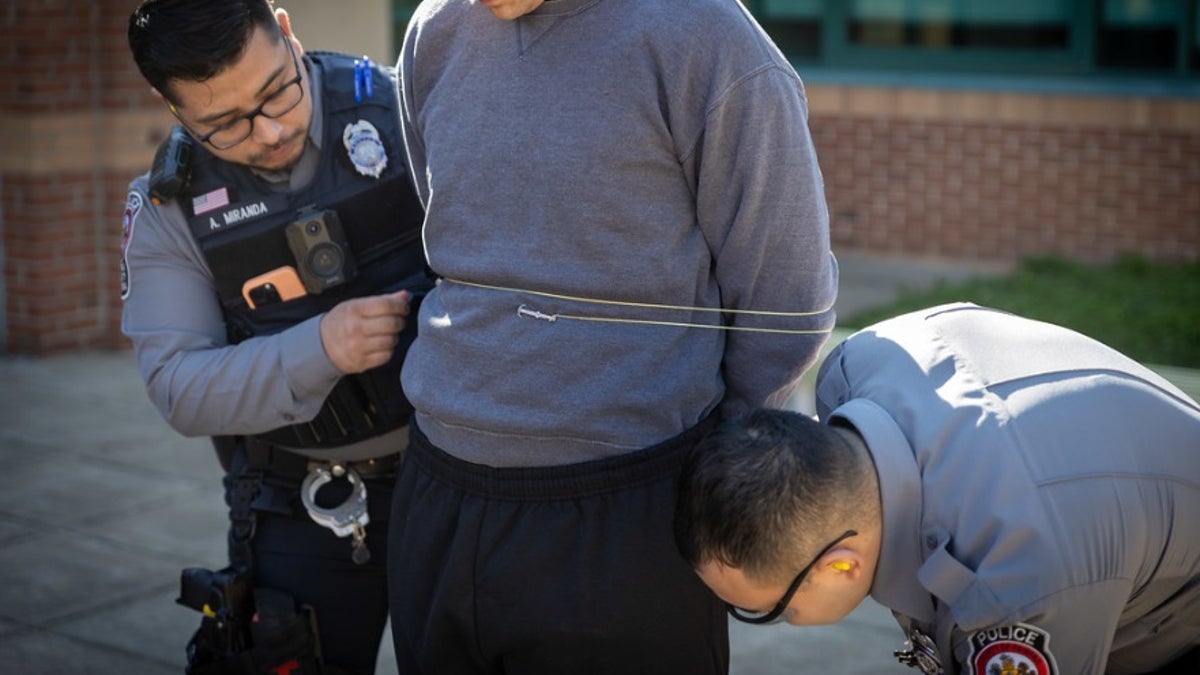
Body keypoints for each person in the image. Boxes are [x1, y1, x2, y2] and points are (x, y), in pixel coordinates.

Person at [389, 0, 838, 672]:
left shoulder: (706, 35)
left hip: (630, 510)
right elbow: (447, 227)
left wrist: (708, 465)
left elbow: (787, 303)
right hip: (439, 493)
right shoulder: (434, 28)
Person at [122, 1, 429, 672]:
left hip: (452, 473)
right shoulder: (168, 205)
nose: (267, 132)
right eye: (224, 123)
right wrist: (319, 350)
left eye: (275, 92)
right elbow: (179, 387)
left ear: (287, 31)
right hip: (299, 495)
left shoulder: (402, 107)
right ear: (171, 106)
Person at [676, 302, 1200, 675]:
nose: (782, 623)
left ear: (841, 564)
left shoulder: (1009, 589)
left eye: (769, 611)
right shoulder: (855, 367)